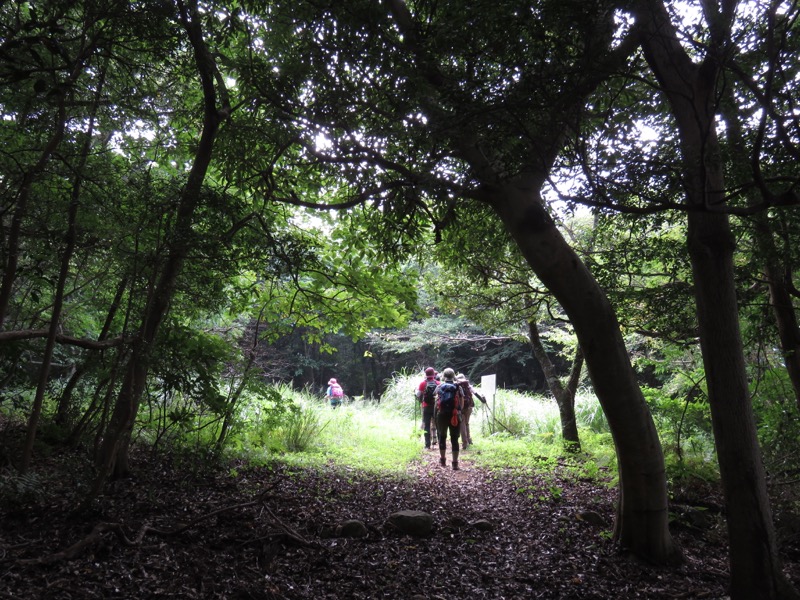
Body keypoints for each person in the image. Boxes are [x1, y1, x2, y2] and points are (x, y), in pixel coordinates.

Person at [435, 367, 464, 470]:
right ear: (453, 376)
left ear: (444, 376)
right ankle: (455, 463)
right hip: (455, 415)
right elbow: (461, 402)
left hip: (442, 415)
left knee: (442, 437)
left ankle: (443, 460)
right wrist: (459, 411)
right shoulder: (458, 387)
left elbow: (436, 400)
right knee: (454, 438)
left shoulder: (440, 386)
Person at [415, 367, 438, 449]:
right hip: (436, 407)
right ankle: (439, 443)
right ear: (433, 374)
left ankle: (427, 445)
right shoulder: (438, 383)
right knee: (437, 425)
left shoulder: (422, 384)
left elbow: (418, 395)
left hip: (426, 406)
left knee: (426, 425)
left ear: (426, 374)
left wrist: (416, 391)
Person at [456, 373, 476, 450]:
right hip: (469, 407)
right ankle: (469, 439)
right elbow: (475, 393)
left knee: (462, 424)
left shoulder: (457, 386)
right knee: (467, 423)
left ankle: (465, 443)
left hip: (461, 406)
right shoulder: (468, 385)